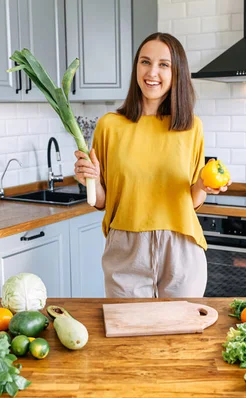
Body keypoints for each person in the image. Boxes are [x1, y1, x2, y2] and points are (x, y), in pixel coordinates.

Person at [73, 32, 231, 299]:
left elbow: (191, 202)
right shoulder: (110, 126)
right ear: (136, 67)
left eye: (163, 64)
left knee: (180, 336)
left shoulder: (191, 127)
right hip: (126, 250)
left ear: (177, 72)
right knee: (128, 336)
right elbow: (102, 202)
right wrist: (92, 180)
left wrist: (203, 186)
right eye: (145, 62)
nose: (152, 72)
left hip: (181, 249)